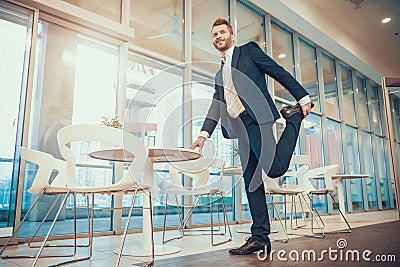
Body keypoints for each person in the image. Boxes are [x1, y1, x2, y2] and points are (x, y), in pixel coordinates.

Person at [190, 18, 313, 255]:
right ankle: (260, 237)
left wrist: (302, 97)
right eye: (214, 34)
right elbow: (216, 106)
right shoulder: (219, 74)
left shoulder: (248, 52)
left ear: (232, 35)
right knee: (252, 182)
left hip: (257, 119)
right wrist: (203, 135)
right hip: (239, 129)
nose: (218, 36)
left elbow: (278, 71)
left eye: (222, 32)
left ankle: (294, 119)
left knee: (274, 169)